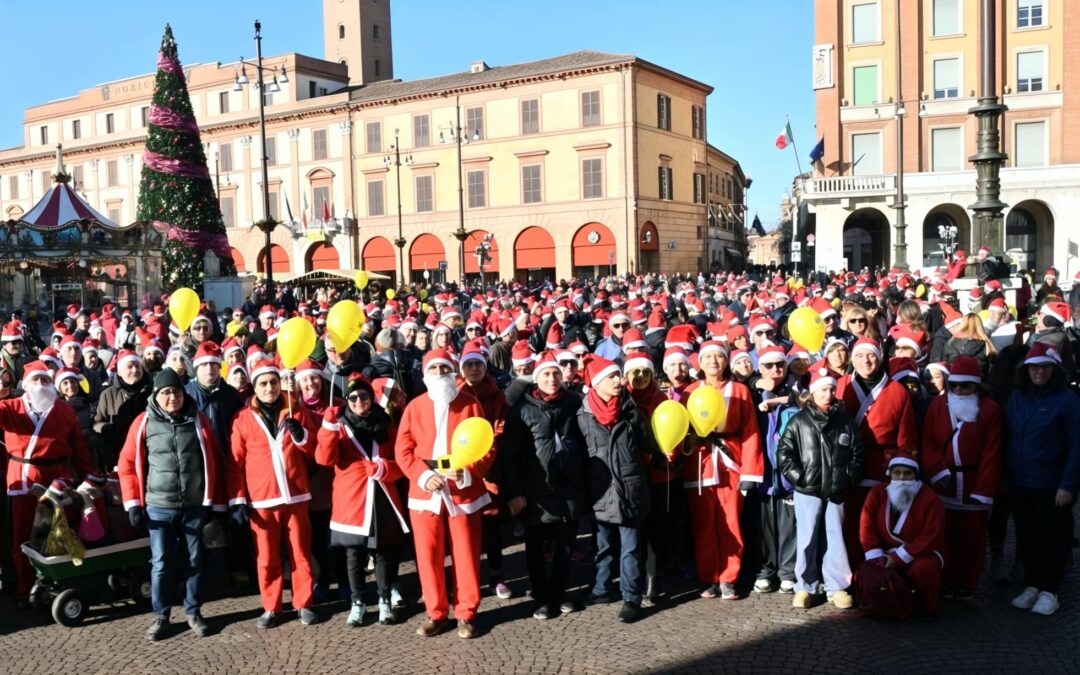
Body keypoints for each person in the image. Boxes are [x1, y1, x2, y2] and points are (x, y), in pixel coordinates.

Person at [117, 368, 226, 640]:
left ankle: (193, 611)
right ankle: (161, 616)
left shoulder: (199, 420)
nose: (172, 397)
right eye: (166, 392)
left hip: (193, 505)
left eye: (176, 391)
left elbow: (214, 460)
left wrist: (216, 503)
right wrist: (132, 503)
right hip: (158, 506)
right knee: (161, 563)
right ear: (157, 395)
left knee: (193, 560)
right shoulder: (143, 422)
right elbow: (127, 463)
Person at [395, 349, 493, 639]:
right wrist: (424, 476)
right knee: (427, 556)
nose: (439, 373)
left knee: (466, 554)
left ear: (453, 372)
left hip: (462, 489)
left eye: (444, 368)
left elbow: (486, 446)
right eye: (434, 369)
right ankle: (437, 613)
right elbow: (403, 450)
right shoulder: (414, 407)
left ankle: (466, 613)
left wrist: (467, 473)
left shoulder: (471, 404)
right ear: (425, 375)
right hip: (426, 489)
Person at [227, 360, 321, 628]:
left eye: (273, 382)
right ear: (254, 388)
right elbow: (235, 463)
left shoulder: (296, 410)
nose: (269, 388)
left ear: (280, 383)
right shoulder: (242, 419)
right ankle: (271, 606)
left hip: (296, 494)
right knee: (266, 557)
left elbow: (315, 451)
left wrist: (301, 435)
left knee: (301, 553)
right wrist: (238, 499)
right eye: (263, 383)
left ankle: (304, 603)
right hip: (262, 499)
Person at [316, 373, 408, 627]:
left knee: (381, 552)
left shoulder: (386, 422)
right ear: (347, 400)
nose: (358, 401)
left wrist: (385, 469)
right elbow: (324, 459)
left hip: (381, 494)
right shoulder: (339, 422)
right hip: (351, 498)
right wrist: (328, 428)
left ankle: (384, 600)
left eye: (364, 396)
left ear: (372, 398)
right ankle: (357, 603)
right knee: (353, 554)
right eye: (353, 397)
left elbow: (401, 460)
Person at [0, 361, 96, 603]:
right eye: (36, 380)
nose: (41, 385)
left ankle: (60, 580)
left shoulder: (63, 409)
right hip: (24, 481)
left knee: (60, 531)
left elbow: (79, 447)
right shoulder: (10, 407)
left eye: (45, 380)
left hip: (57, 479)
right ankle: (25, 584)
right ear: (26, 385)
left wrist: (89, 476)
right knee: (23, 537)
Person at [501, 352, 587, 620]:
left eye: (556, 374)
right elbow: (510, 457)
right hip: (535, 490)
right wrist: (514, 492)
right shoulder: (521, 410)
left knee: (565, 546)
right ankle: (541, 596)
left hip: (568, 488)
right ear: (536, 379)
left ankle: (559, 594)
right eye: (546, 374)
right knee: (536, 548)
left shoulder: (574, 403)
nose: (552, 379)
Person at [778, 367, 863, 609]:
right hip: (808, 489)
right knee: (807, 538)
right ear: (813, 392)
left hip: (836, 489)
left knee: (836, 538)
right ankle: (805, 586)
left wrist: (847, 477)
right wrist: (799, 477)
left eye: (832, 390)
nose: (828, 394)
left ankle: (837, 586)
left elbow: (858, 453)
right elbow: (785, 453)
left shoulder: (845, 421)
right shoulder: (799, 421)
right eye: (824, 389)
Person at [1004, 343, 1080, 616]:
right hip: (1020, 481)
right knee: (1026, 536)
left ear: (1054, 369)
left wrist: (1068, 484)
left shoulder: (1068, 400)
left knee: (1053, 538)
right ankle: (1033, 584)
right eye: (1034, 366)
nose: (1039, 371)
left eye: (1045, 367)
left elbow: (1076, 446)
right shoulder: (1017, 397)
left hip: (1051, 483)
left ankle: (1051, 590)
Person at [683, 341, 762, 601]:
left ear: (726, 361)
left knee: (731, 522)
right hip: (700, 463)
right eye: (708, 357)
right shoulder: (690, 392)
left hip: (731, 463)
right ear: (700, 363)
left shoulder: (740, 391)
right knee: (703, 523)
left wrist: (750, 471)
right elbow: (681, 430)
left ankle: (729, 577)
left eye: (719, 356)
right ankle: (708, 576)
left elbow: (750, 432)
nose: (714, 362)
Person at [919, 355, 1001, 600]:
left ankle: (967, 583)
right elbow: (928, 442)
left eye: (964, 385)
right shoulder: (937, 405)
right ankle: (946, 580)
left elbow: (992, 452)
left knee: (972, 540)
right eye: (954, 384)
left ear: (976, 384)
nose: (957, 390)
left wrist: (983, 492)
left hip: (973, 485)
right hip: (945, 484)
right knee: (945, 536)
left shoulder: (990, 409)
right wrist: (937, 471)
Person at [578, 356, 650, 623]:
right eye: (611, 377)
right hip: (600, 491)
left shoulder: (632, 411)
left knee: (631, 548)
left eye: (618, 376)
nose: (618, 381)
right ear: (597, 383)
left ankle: (632, 598)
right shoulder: (582, 416)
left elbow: (647, 444)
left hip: (630, 489)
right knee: (603, 545)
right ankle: (601, 589)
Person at [836, 338, 917, 566]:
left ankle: (878, 572)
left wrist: (902, 471)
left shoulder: (897, 391)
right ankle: (849, 572)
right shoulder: (841, 385)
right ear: (852, 359)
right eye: (860, 355)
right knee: (849, 521)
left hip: (883, 464)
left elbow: (907, 437)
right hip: (848, 463)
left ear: (880, 358)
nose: (866, 361)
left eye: (871, 355)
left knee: (879, 521)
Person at [456, 344, 511, 599]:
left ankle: (496, 575)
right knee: (464, 527)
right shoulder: (455, 394)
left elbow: (500, 429)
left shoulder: (496, 395)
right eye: (469, 364)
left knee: (491, 526)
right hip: (461, 469)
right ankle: (467, 577)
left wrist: (485, 458)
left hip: (490, 468)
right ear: (462, 368)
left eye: (478, 364)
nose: (474, 369)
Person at [859, 454, 946, 617]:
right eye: (896, 473)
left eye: (907, 473)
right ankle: (880, 605)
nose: (902, 478)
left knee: (924, 569)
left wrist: (899, 557)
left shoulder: (930, 499)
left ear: (915, 475)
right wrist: (876, 555)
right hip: (886, 551)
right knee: (868, 571)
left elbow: (931, 535)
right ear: (889, 474)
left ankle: (926, 607)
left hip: (921, 553)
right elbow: (867, 526)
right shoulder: (877, 493)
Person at [750, 345, 797, 595]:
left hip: (789, 474)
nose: (775, 370)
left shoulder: (797, 390)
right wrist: (758, 385)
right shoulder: (752, 393)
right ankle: (766, 569)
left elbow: (808, 398)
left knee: (790, 526)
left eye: (780, 365)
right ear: (760, 368)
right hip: (763, 472)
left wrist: (779, 400)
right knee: (764, 527)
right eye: (769, 365)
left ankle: (788, 571)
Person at [94, 350, 153, 471]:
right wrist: (106, 428)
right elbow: (97, 422)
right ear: (119, 372)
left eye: (137, 366)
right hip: (119, 452)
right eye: (129, 367)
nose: (135, 370)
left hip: (148, 451)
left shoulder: (152, 391)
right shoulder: (108, 394)